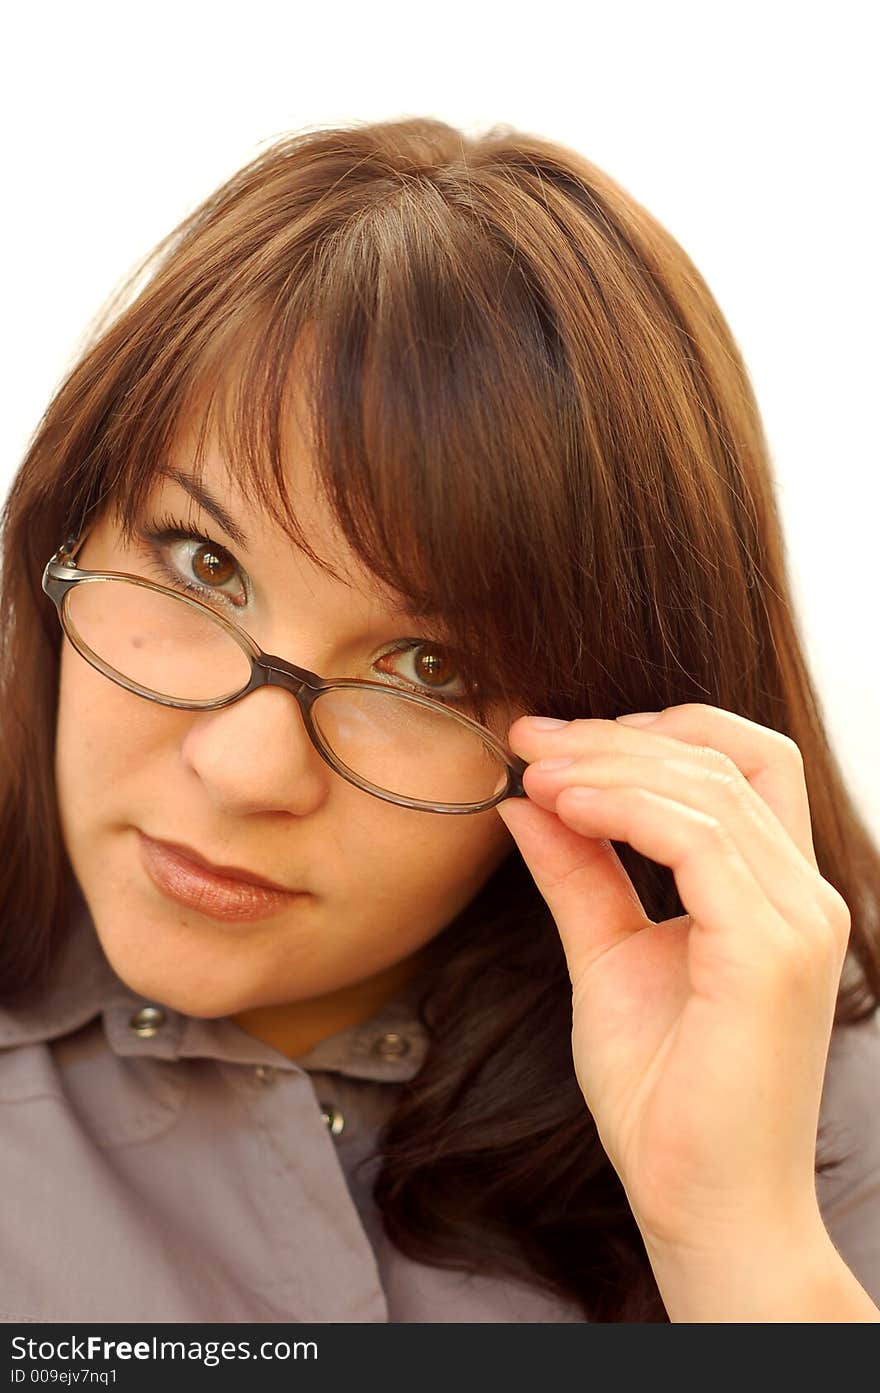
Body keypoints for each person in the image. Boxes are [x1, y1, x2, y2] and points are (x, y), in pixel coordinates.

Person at [1, 116, 878, 1326]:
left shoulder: (816, 1119)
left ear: (613, 723)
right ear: (64, 523)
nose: (249, 765)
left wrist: (734, 1237)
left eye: (428, 666)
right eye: (203, 565)